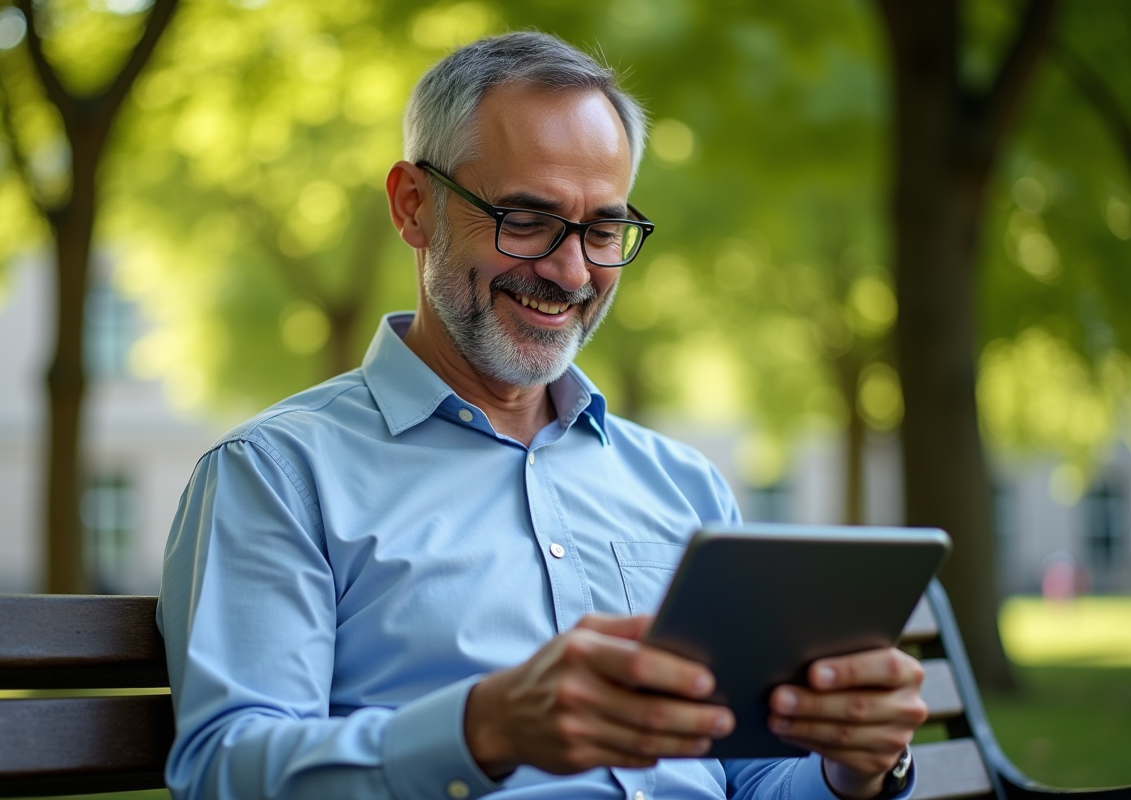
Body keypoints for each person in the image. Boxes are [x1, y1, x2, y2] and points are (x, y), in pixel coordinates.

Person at [157, 31, 928, 800]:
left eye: (602, 229)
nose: (570, 272)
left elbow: (744, 779)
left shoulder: (685, 485)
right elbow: (225, 772)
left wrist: (852, 768)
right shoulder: (278, 475)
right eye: (525, 218)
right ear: (413, 206)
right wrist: (481, 730)